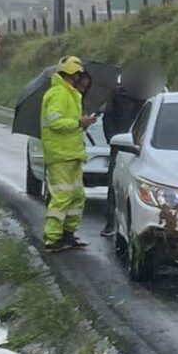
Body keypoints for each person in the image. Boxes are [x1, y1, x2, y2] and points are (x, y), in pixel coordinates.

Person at [41, 56, 96, 252]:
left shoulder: (71, 94)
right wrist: (78, 123)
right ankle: (52, 239)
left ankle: (68, 235)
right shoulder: (58, 93)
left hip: (72, 154)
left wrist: (82, 123)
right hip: (60, 155)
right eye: (80, 76)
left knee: (77, 197)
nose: (82, 80)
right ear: (73, 74)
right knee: (62, 197)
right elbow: (54, 122)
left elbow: (69, 124)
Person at [100, 67, 150, 236]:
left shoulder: (149, 98)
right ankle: (110, 223)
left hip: (143, 150)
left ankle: (137, 226)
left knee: (141, 191)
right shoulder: (117, 97)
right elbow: (108, 120)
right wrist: (113, 141)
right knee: (114, 186)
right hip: (121, 147)